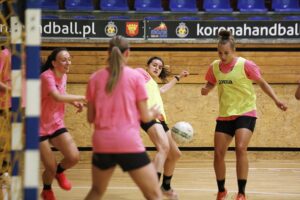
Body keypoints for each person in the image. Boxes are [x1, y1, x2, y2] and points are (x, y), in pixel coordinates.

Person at [201, 30, 287, 200]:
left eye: (226, 53)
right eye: (220, 53)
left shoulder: (246, 65)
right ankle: (221, 190)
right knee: (218, 153)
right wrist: (206, 89)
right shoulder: (214, 66)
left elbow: (262, 83)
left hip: (245, 112)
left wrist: (276, 100)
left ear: (233, 50)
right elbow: (210, 83)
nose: (223, 56)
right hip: (225, 114)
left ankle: (241, 193)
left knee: (240, 148)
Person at [84, 36, 162, 200]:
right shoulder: (135, 77)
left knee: (96, 191)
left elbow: (90, 118)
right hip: (128, 142)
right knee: (154, 194)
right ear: (128, 53)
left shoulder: (94, 78)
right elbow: (145, 117)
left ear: (108, 52)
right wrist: (154, 113)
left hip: (102, 142)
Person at [136, 57, 189, 200]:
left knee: (175, 154)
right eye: (154, 65)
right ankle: (152, 189)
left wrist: (178, 77)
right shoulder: (141, 73)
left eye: (160, 67)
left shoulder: (152, 83)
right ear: (147, 66)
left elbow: (163, 89)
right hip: (148, 115)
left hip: (161, 120)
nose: (157, 68)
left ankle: (165, 187)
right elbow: (131, 80)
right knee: (163, 148)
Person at [40, 47, 86, 200]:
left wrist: (73, 102)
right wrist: (81, 97)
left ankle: (59, 172)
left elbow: (63, 94)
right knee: (50, 167)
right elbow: (56, 97)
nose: (68, 63)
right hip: (38, 127)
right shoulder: (46, 77)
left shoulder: (64, 76)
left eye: (69, 59)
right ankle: (47, 189)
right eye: (64, 60)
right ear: (53, 63)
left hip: (56, 123)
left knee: (73, 157)